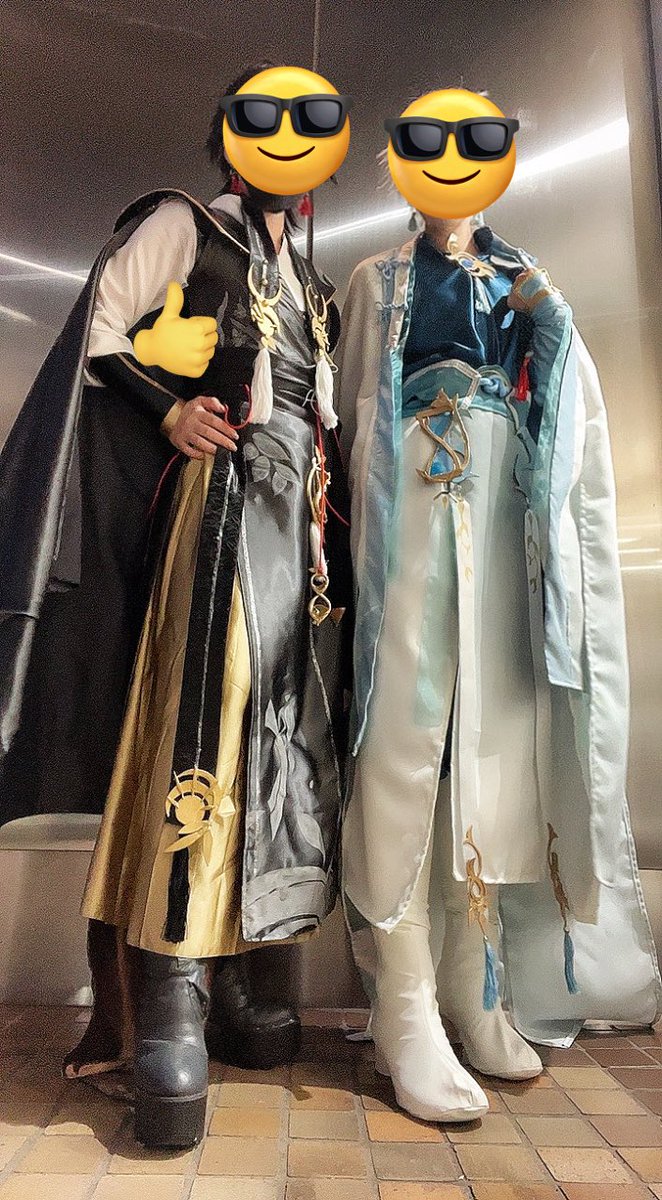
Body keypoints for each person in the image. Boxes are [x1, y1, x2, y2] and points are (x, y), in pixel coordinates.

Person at [0, 62, 352, 1148]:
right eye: (262, 116)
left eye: (312, 119)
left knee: (276, 744)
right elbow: (100, 330)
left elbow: (321, 416)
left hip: (297, 529)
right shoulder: (184, 224)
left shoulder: (313, 284)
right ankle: (169, 999)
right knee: (201, 723)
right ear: (228, 133)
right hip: (219, 507)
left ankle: (235, 973)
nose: (287, 135)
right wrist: (166, 409)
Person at [335, 89, 661, 1123]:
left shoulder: (523, 279)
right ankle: (401, 1003)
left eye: (478, 142)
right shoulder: (376, 279)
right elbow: (353, 418)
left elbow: (559, 407)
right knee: (402, 743)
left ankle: (473, 986)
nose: (454, 162)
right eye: (428, 143)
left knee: (489, 745)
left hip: (499, 523)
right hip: (408, 522)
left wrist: (547, 323)